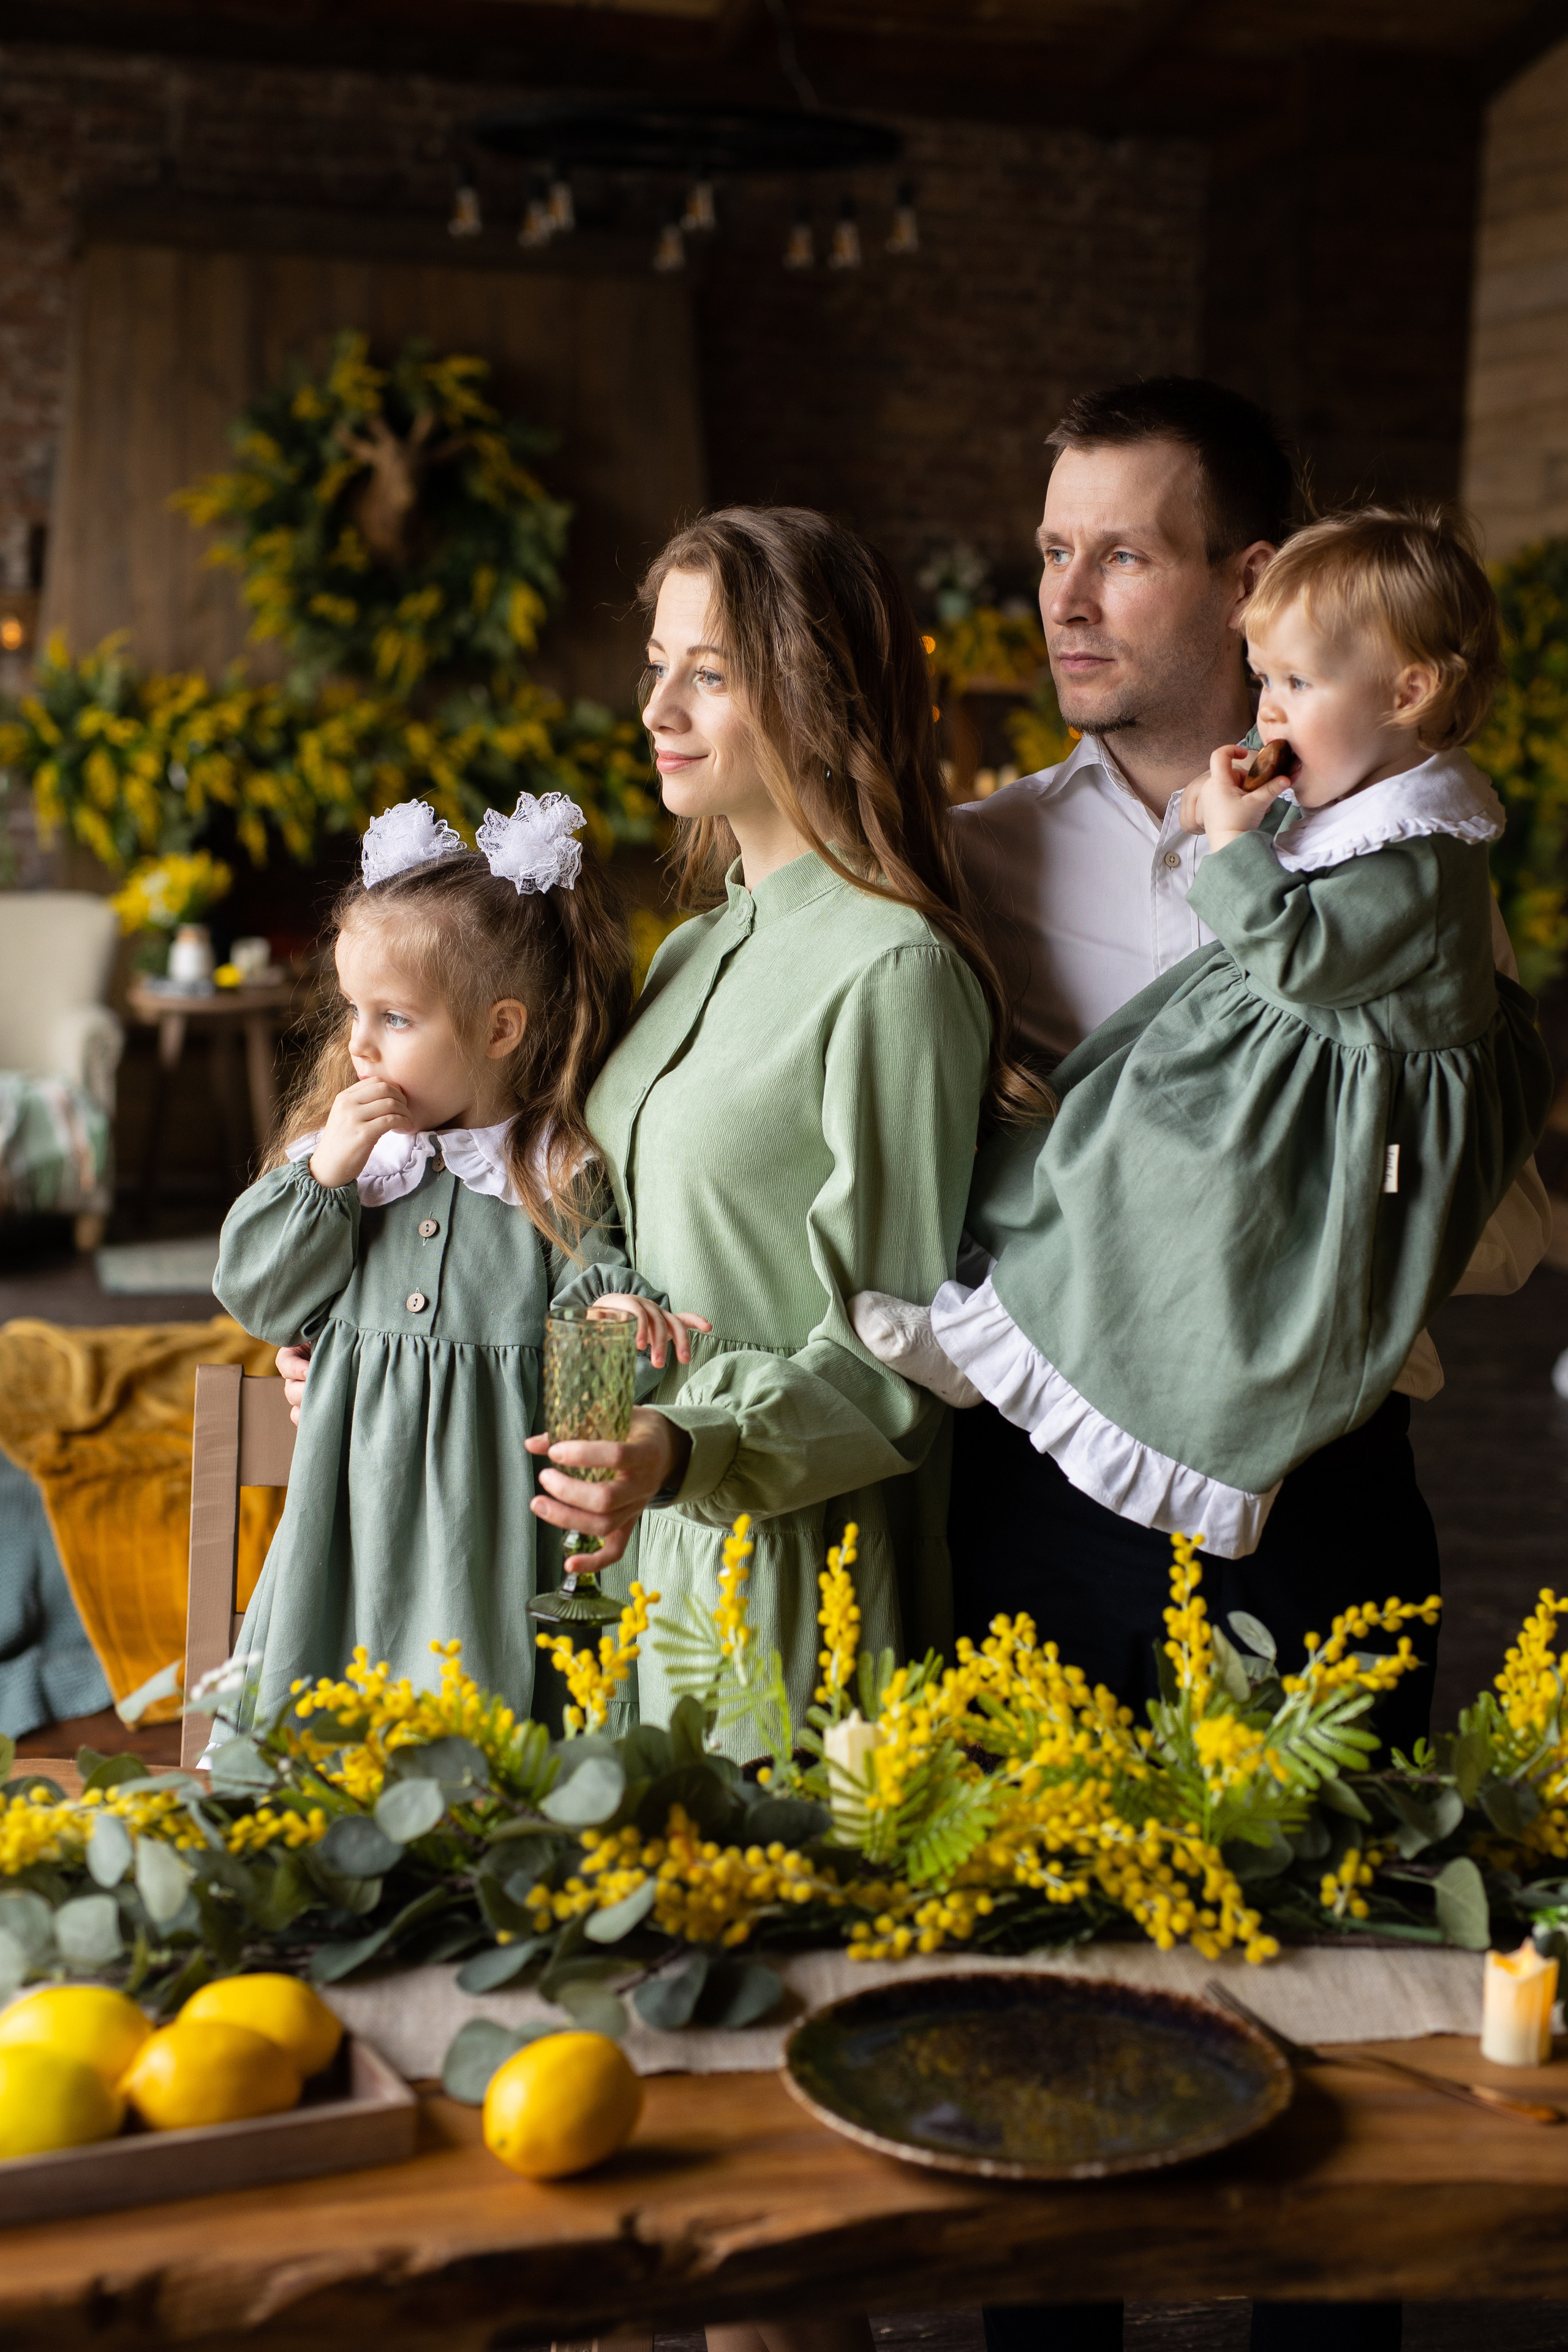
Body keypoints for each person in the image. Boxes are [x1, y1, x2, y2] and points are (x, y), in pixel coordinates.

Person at [865, 379, 1549, 2352]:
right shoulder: (976, 867)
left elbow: (1488, 1226)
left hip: (1324, 1491)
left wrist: (1290, 1232)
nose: (1066, 599)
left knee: (1343, 2004)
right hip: (1037, 1506)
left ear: (1255, 582)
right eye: (1053, 550)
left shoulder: (1413, 868)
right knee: (1040, 2001)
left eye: (1125, 554)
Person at [861, 502, 1551, 1602]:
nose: (1271, 708)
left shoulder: (1424, 855)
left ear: (1410, 692)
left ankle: (1136, 1400)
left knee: (1168, 1178)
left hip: (1329, 1131)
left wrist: (1231, 844)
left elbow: (1303, 958)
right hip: (1246, 1074)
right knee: (1088, 1136)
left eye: (1298, 687)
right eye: (1264, 679)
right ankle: (987, 1335)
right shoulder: (1016, 835)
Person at [522, 504, 1043, 1749]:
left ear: (816, 693)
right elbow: (614, 1243)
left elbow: (893, 1365)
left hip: (793, 1570)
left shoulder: (895, 971)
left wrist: (683, 1446)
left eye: (708, 675)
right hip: (638, 1542)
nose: (656, 710)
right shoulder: (694, 947)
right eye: (657, 667)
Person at [215, 792, 701, 1728]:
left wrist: (618, 1328)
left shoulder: (557, 1175)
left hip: (490, 1542)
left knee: (477, 1744)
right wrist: (325, 1175)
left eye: (394, 1018)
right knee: (328, 1735)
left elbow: (587, 1406)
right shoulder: (351, 1169)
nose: (358, 1042)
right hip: (347, 1536)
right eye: (354, 1010)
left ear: (500, 1030)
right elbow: (256, 1296)